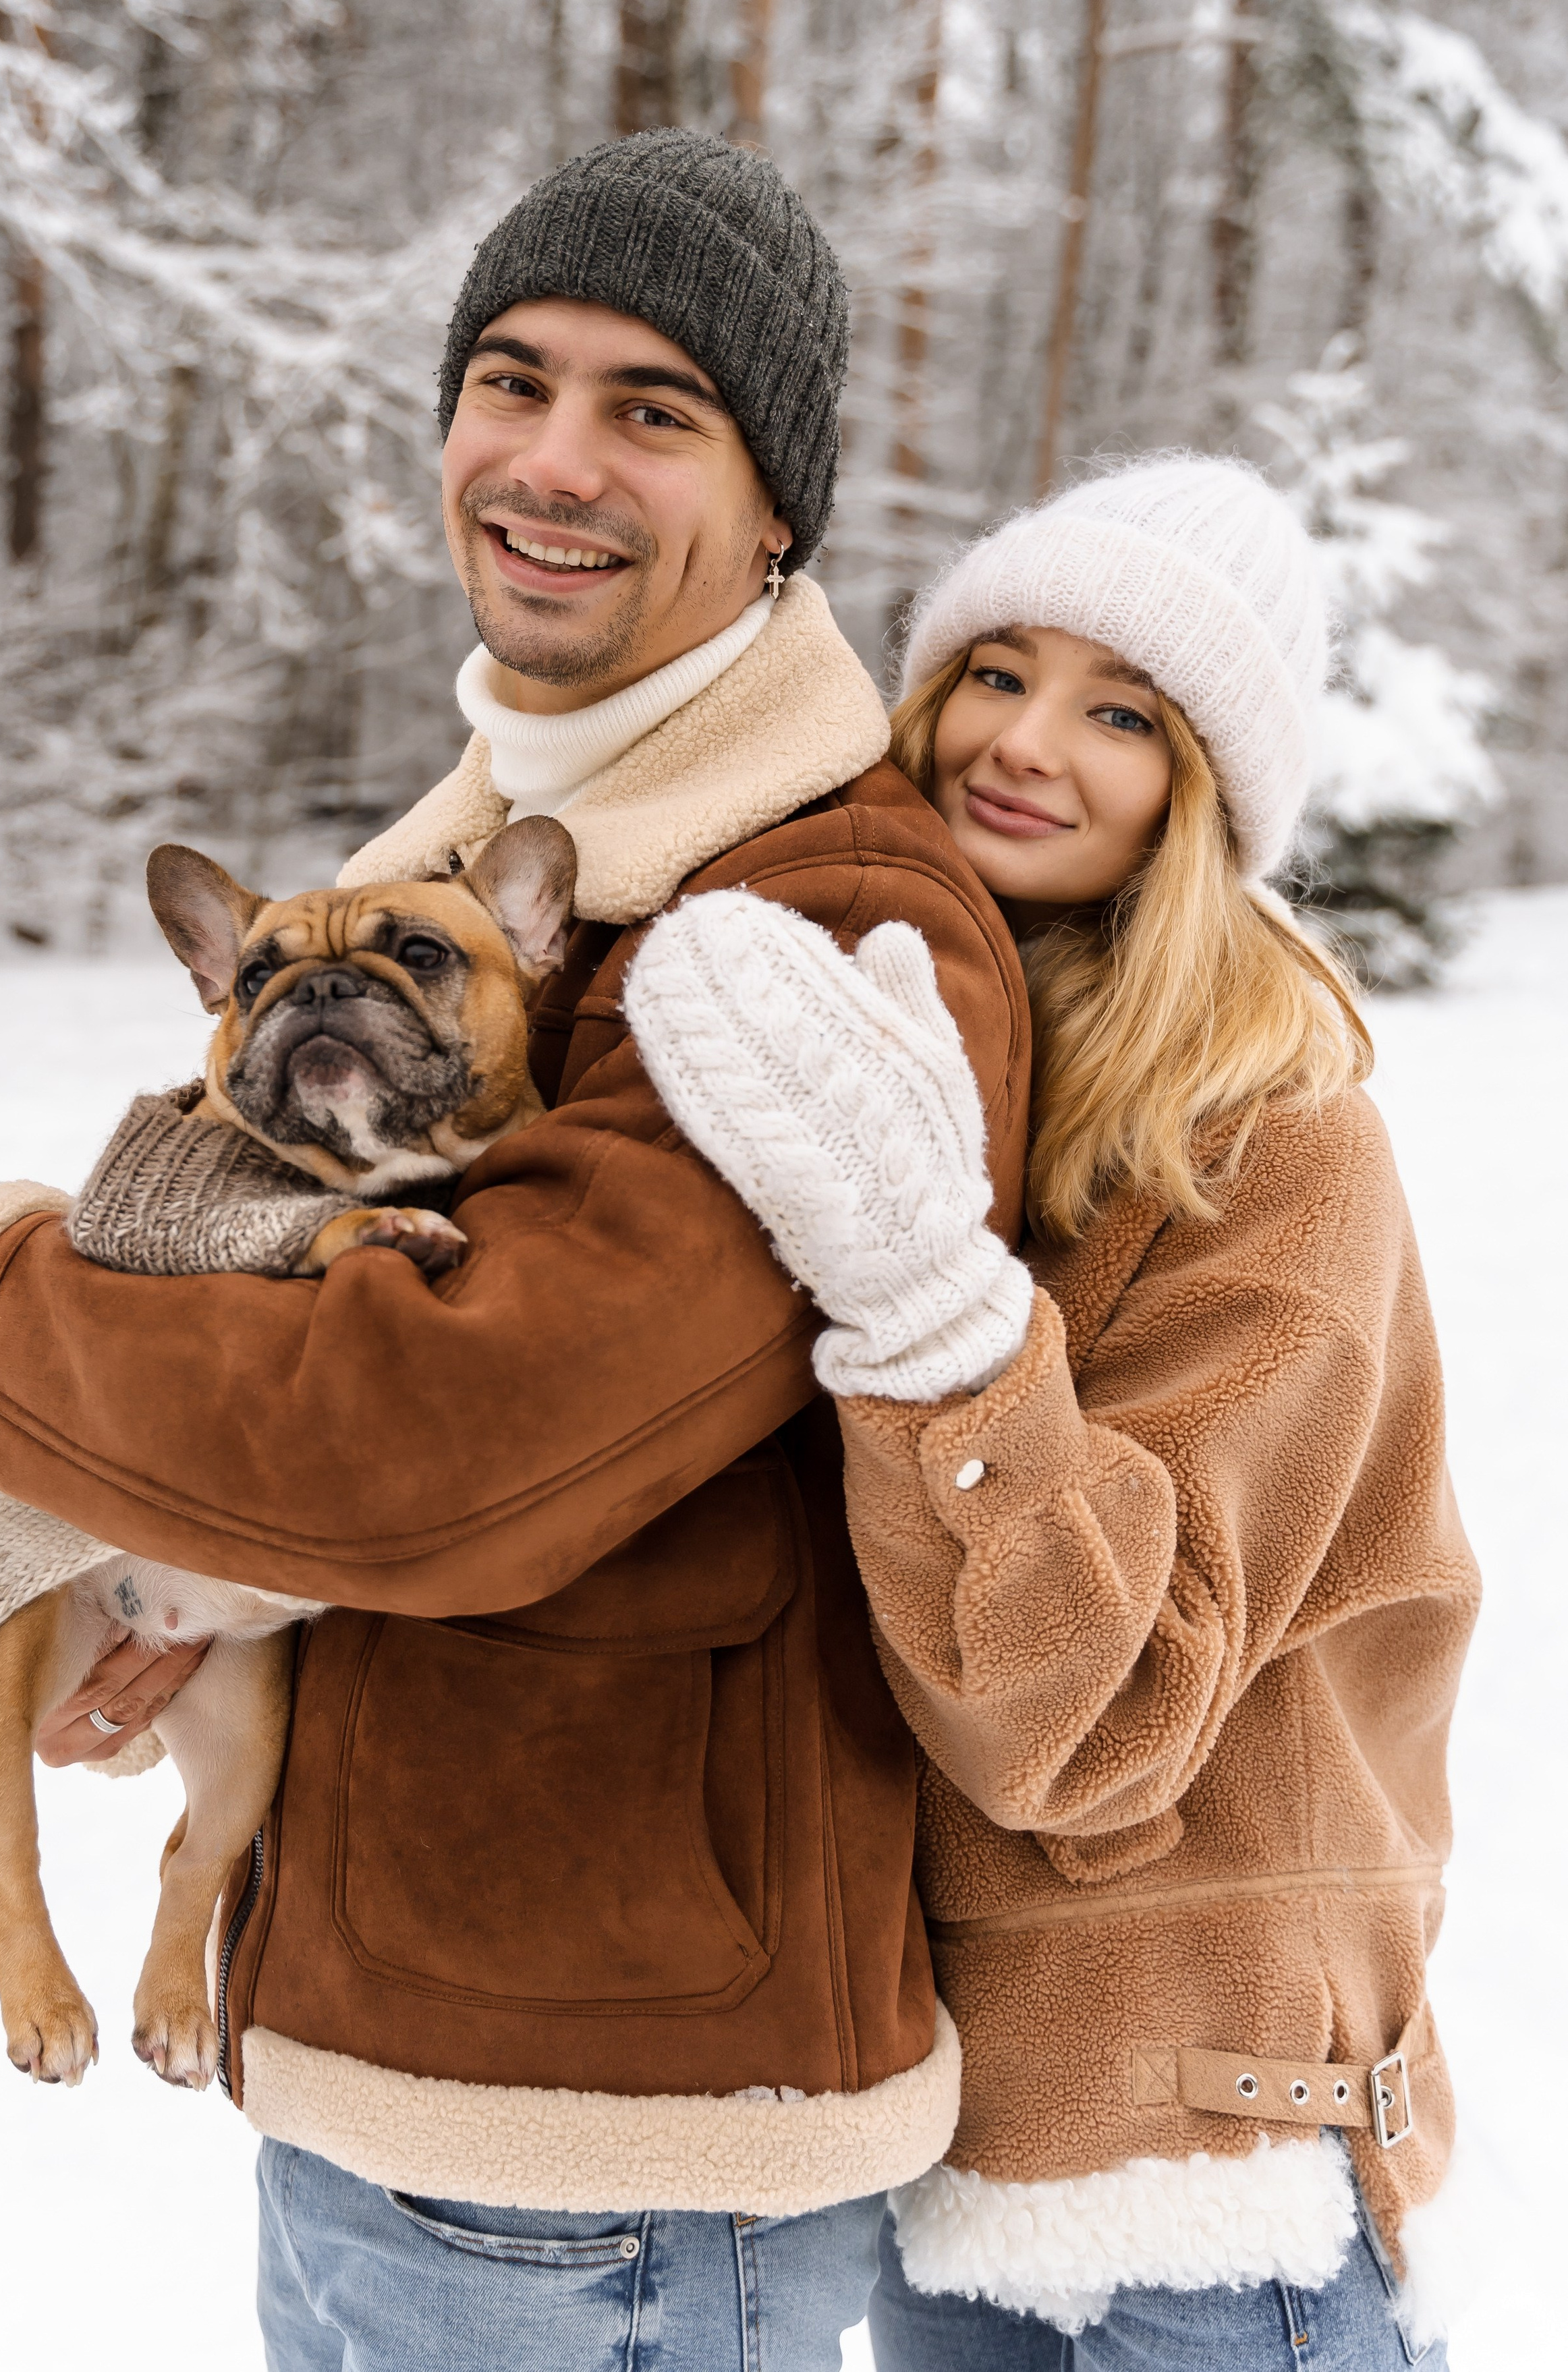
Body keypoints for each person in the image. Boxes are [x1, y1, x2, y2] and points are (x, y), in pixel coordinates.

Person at [0, 131, 1031, 2372]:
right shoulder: (481, 851)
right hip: (390, 2062)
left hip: (616, 2140)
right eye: (511, 382)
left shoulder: (807, 913)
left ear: (779, 511)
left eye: (653, 410)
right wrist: (181, 1568)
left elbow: (444, 1440)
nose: (555, 460)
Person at [624, 455, 1480, 2368]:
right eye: (999, 673)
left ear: (1204, 794)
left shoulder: (1272, 1141)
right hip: (936, 2139)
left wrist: (936, 1310)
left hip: (1211, 2146)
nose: (1024, 742)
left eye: (1122, 714)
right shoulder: (904, 1044)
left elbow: (1094, 1725)